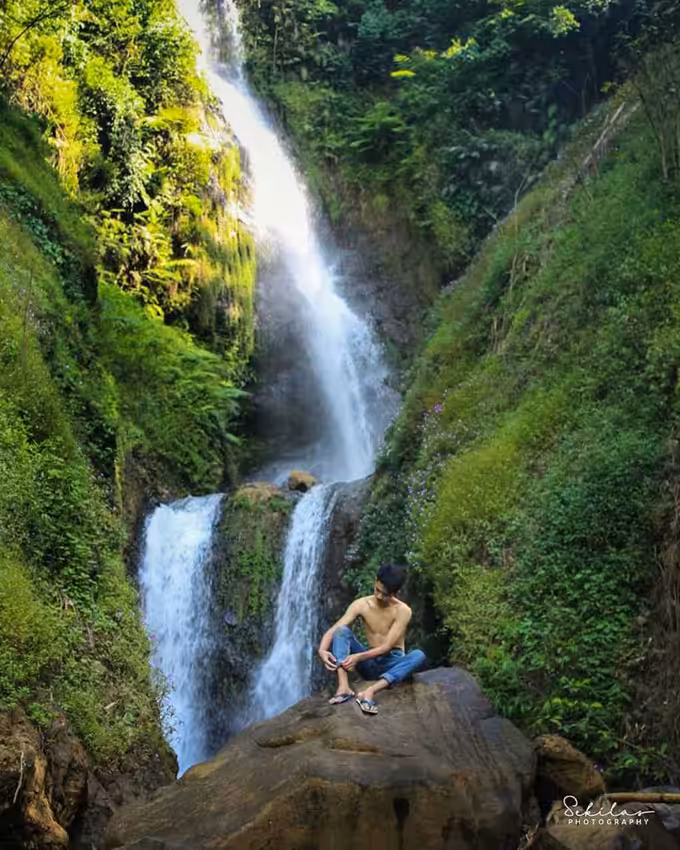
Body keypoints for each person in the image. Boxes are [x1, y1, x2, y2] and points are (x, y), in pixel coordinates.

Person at [317, 563, 426, 715]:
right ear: (375, 581)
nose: (380, 596)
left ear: (396, 592)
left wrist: (357, 657)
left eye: (386, 594)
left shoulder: (403, 611)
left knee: (419, 655)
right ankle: (343, 687)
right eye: (378, 590)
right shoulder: (361, 604)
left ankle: (370, 691)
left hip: (392, 662)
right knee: (341, 632)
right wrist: (322, 650)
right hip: (369, 664)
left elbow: (386, 647)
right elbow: (335, 629)